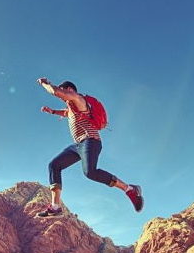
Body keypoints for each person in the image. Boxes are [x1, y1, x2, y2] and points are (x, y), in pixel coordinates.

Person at [36, 77, 143, 217]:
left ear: (69, 90)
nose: (63, 96)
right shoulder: (72, 107)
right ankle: (56, 207)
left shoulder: (78, 98)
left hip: (90, 141)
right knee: (54, 165)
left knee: (90, 172)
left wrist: (45, 83)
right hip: (78, 145)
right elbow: (66, 113)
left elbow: (55, 92)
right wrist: (52, 112)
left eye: (64, 91)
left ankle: (129, 189)